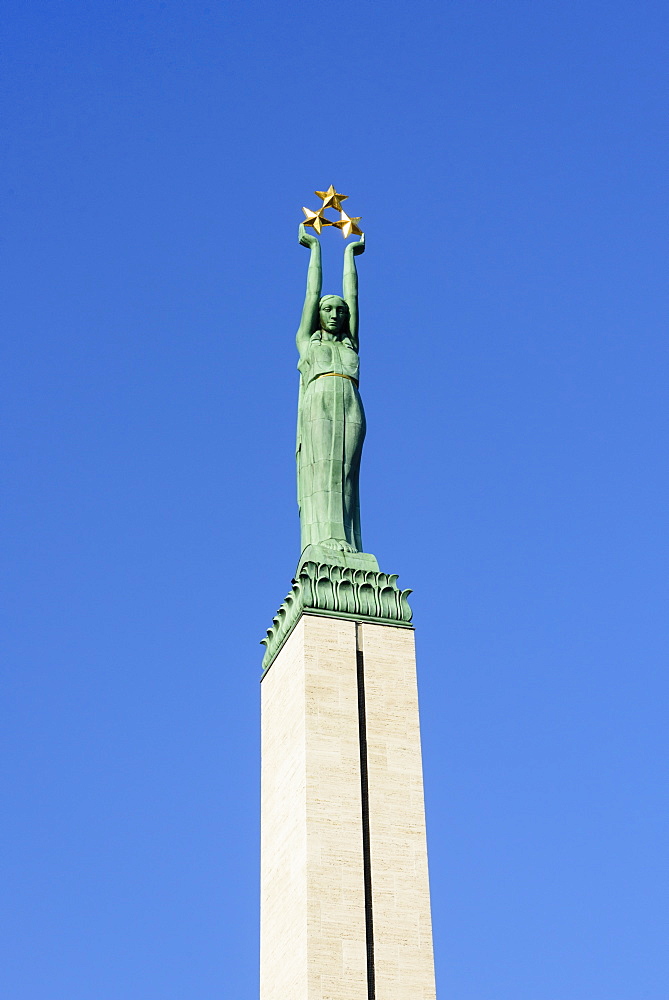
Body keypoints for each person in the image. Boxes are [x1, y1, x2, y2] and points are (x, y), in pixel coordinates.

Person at [296, 222, 367, 558]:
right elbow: (312, 294)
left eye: (340, 310)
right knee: (323, 469)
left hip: (350, 402)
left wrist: (350, 254)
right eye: (329, 309)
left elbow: (352, 294)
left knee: (347, 472)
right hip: (319, 400)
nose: (336, 313)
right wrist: (316, 249)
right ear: (318, 315)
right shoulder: (307, 342)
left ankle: (350, 544)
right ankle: (324, 540)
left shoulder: (351, 343)